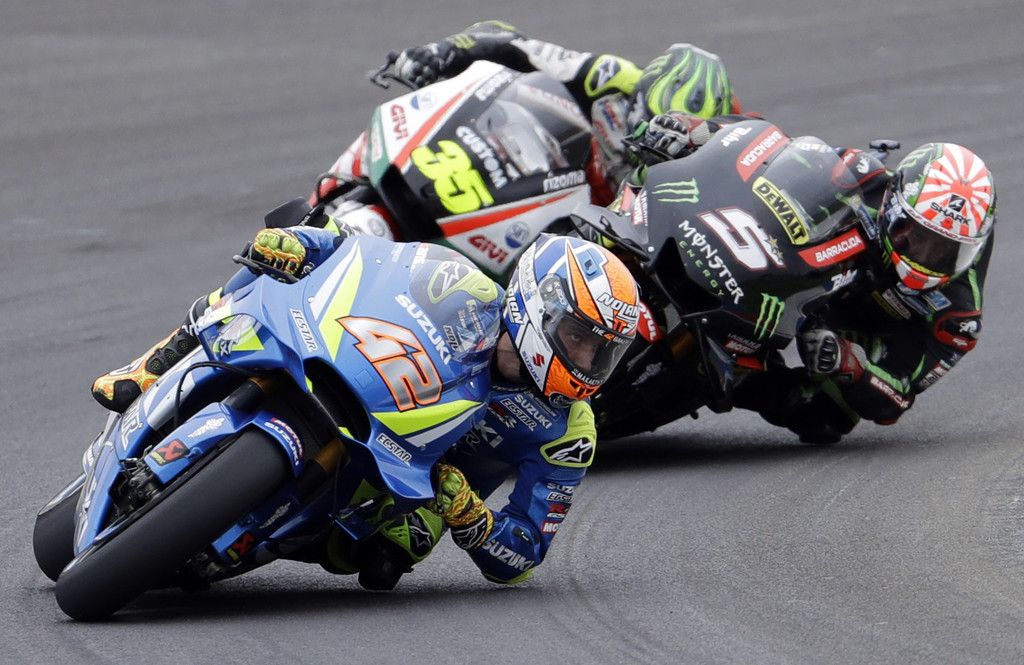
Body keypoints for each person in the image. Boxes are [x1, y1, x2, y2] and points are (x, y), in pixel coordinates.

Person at [93, 213, 640, 588]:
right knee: (270, 266)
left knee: (382, 557)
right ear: (538, 305)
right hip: (368, 389)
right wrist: (306, 244)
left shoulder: (569, 431)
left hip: (421, 488)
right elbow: (364, 256)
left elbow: (523, 553)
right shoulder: (464, 288)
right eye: (579, 338)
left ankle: (247, 537)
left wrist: (473, 519)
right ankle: (156, 362)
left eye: (603, 352)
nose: (587, 360)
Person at [628, 114, 996, 443]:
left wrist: (851, 365)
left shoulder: (957, 320)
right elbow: (771, 150)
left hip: (846, 339)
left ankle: (739, 379)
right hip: (806, 278)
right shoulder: (864, 176)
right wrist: (700, 130)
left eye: (946, 251)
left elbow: (898, 397)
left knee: (825, 419)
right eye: (916, 236)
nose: (924, 257)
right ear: (894, 204)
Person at [311, 20, 740, 214]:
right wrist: (443, 52)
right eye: (639, 117)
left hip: (612, 235)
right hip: (548, 173)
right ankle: (330, 198)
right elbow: (511, 42)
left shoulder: (729, 144)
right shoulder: (613, 76)